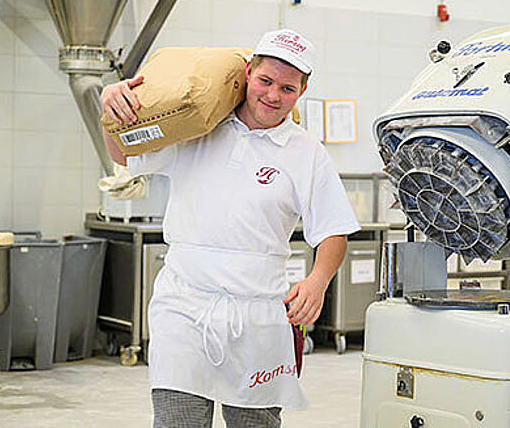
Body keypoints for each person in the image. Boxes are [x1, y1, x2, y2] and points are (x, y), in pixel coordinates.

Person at [100, 29, 360, 428]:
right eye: (265, 81)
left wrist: (317, 280)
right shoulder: (196, 130)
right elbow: (123, 153)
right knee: (177, 422)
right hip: (183, 307)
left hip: (259, 316)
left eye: (287, 88)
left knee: (254, 423)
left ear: (303, 90)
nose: (273, 96)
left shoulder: (306, 152)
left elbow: (333, 231)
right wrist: (110, 107)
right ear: (247, 73)